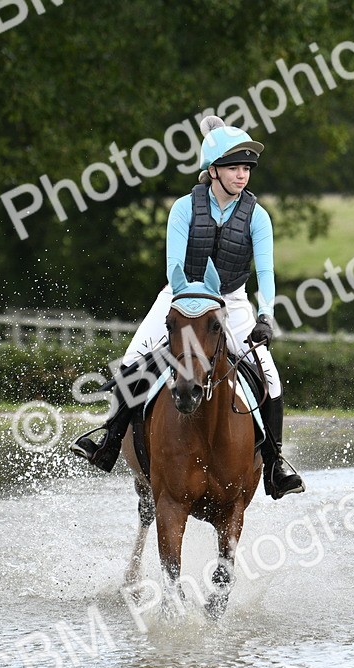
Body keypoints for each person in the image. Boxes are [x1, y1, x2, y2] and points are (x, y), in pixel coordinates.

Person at [70, 115, 305, 499]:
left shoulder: (258, 216)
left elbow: (266, 270)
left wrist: (266, 317)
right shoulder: (183, 209)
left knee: (271, 377)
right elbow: (174, 266)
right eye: (233, 168)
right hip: (180, 295)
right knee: (131, 364)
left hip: (231, 299)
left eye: (246, 168)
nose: (242, 175)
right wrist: (185, 303)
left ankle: (275, 466)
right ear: (212, 171)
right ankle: (108, 441)